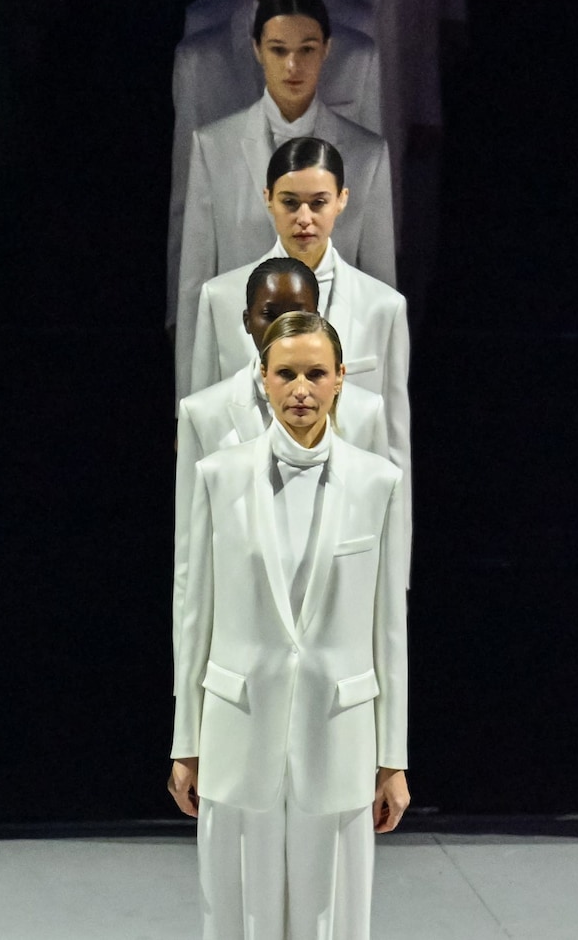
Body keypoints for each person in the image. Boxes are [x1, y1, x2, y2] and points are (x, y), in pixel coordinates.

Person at [169, 310, 410, 940]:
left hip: (339, 732)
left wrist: (393, 759)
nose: (300, 389)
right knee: (234, 916)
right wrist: (185, 741)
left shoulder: (378, 483)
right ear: (263, 377)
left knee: (334, 919)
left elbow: (389, 630)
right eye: (285, 374)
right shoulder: (218, 476)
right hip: (237, 728)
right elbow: (196, 614)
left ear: (340, 379)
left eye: (315, 374)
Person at [173, 256, 393, 684]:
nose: (283, 325)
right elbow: (190, 562)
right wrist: (188, 683)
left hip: (331, 659)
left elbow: (377, 559)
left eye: (299, 313)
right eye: (270, 313)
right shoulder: (203, 414)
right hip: (242, 658)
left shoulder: (365, 414)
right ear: (247, 319)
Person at [183, 138, 411, 529]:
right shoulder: (220, 297)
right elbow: (202, 425)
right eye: (290, 202)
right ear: (268, 198)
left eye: (318, 202)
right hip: (243, 512)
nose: (304, 217)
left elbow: (394, 444)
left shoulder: (383, 307)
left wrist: (395, 548)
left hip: (345, 514)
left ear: (342, 200)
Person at [172, 0, 396, 337]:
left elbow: (380, 292)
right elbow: (195, 284)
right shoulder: (214, 147)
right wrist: (189, 368)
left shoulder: (365, 155)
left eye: (307, 49)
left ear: (326, 49)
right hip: (239, 354)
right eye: (278, 49)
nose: (293, 65)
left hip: (335, 356)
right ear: (257, 49)